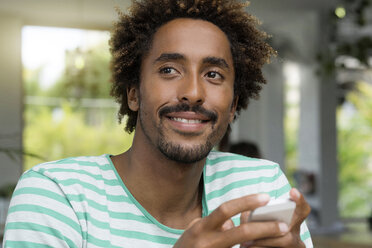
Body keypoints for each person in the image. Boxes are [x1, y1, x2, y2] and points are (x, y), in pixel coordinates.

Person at [4, 0, 313, 247]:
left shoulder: (260, 185)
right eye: (168, 70)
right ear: (134, 95)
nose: (193, 93)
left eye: (213, 74)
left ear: (233, 106)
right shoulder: (58, 196)